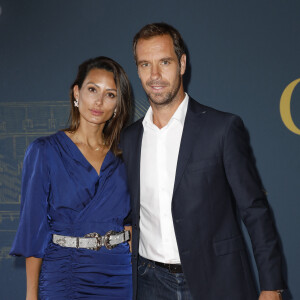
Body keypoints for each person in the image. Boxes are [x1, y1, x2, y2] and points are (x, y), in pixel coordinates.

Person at [120, 23, 286, 300]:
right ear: (137, 70)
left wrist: (271, 286)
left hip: (216, 280)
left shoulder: (222, 128)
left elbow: (254, 210)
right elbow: (130, 209)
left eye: (164, 62)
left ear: (182, 64)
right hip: (149, 284)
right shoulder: (130, 138)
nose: (155, 75)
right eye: (145, 64)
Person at [10, 56, 133, 299]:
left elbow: (132, 221)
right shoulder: (44, 151)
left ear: (118, 104)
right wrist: (31, 295)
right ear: (76, 93)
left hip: (119, 276)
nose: (98, 101)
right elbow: (34, 229)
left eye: (110, 94)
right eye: (92, 89)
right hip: (66, 274)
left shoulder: (127, 154)